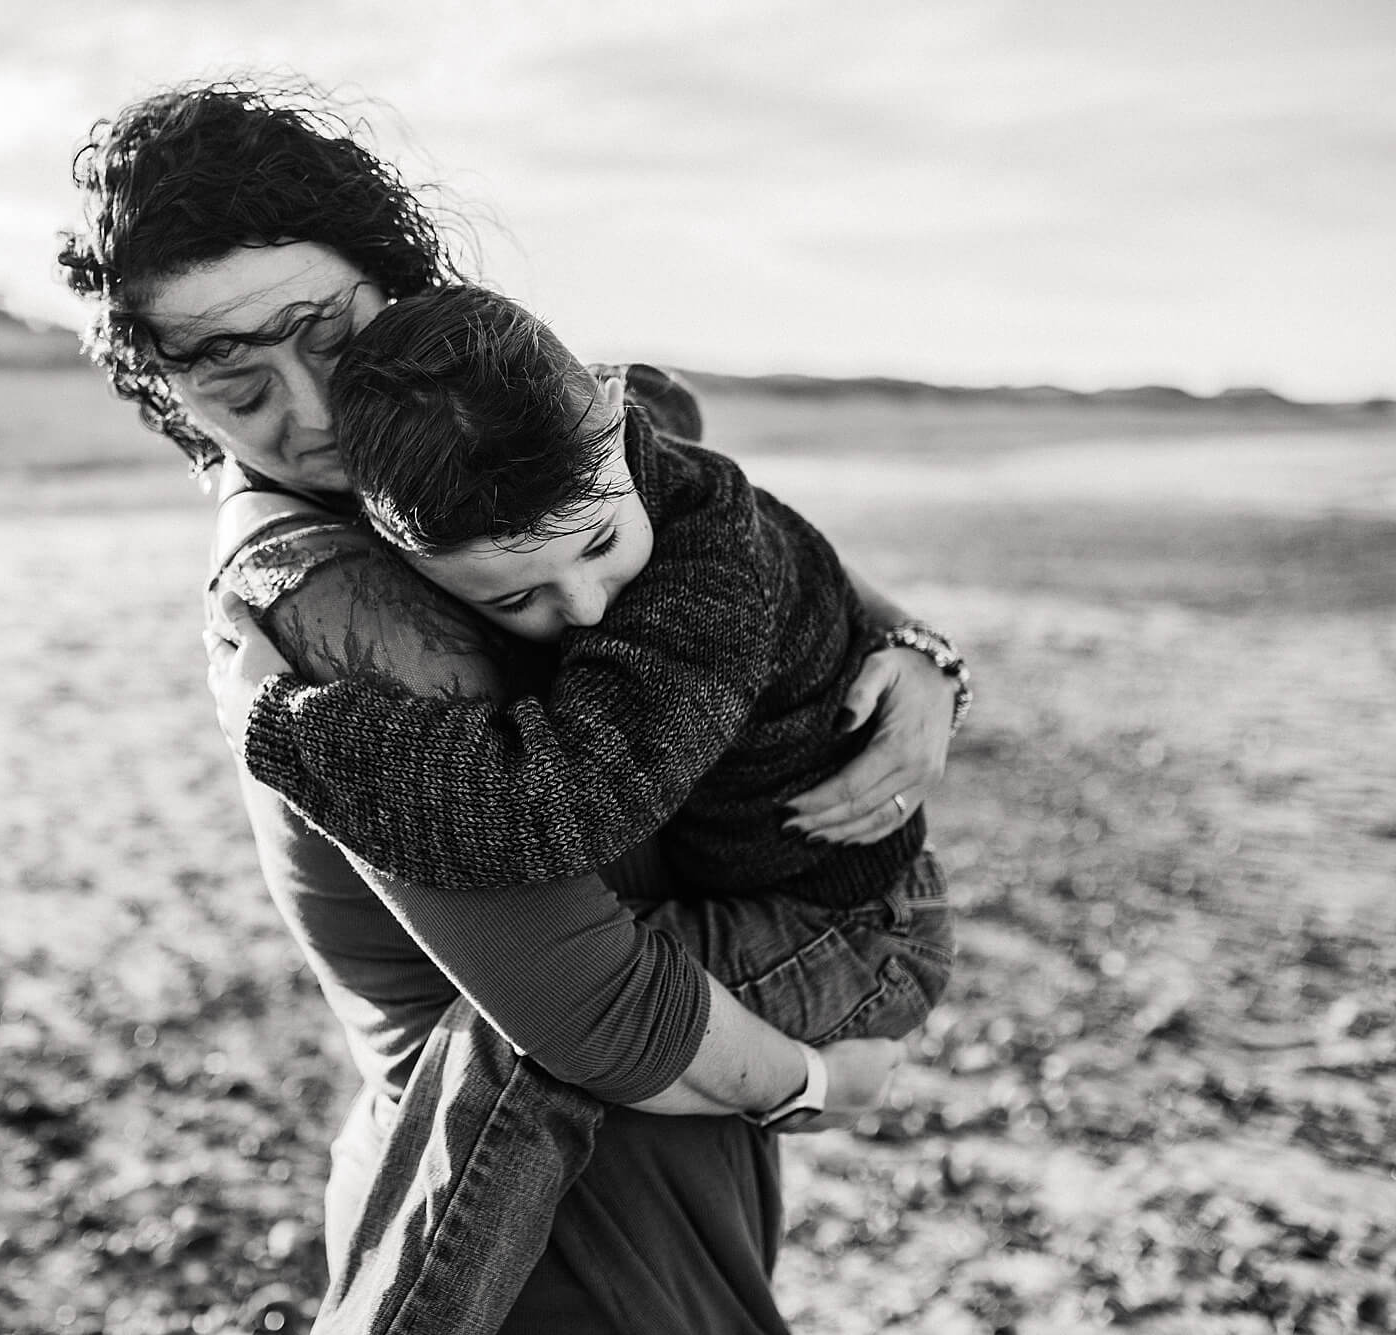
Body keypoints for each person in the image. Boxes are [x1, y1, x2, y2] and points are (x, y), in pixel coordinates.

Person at [59, 79, 964, 1332]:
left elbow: (716, 518)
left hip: (658, 1151)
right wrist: (822, 1085)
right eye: (238, 388)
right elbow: (588, 1012)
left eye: (324, 336)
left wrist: (918, 651)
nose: (313, 420)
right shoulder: (332, 597)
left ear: (401, 285)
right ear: (173, 401)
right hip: (548, 1218)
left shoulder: (476, 456)